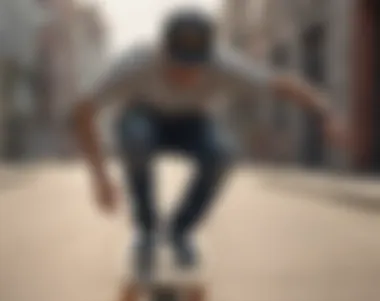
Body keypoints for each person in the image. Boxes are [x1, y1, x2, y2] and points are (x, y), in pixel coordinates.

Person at [72, 8, 345, 276]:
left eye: (194, 67)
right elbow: (82, 112)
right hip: (144, 118)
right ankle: (146, 230)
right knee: (137, 138)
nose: (185, 75)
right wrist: (100, 178)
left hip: (193, 122)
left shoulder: (222, 63)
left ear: (207, 58)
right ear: (162, 51)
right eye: (177, 65)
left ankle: (180, 231)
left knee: (221, 152)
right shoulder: (135, 62)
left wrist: (327, 113)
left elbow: (281, 85)